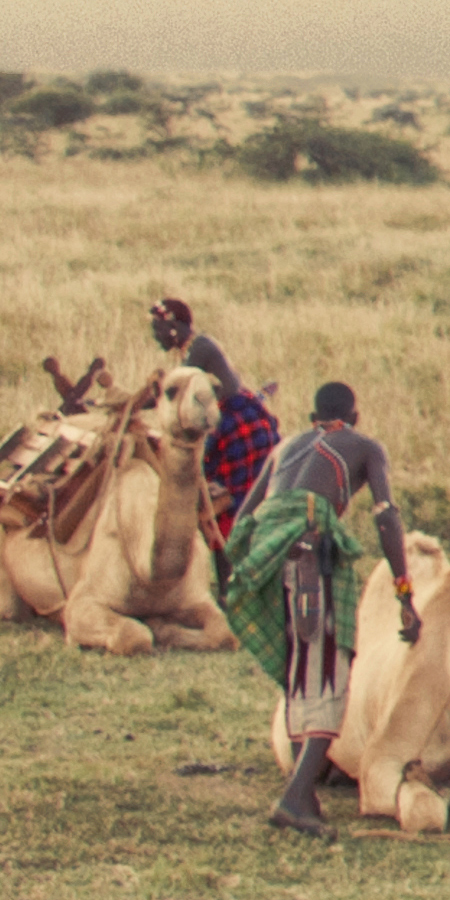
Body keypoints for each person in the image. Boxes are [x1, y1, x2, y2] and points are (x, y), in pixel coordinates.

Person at [225, 382, 416, 838]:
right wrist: (404, 593)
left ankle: (305, 789)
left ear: (313, 416)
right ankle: (294, 799)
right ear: (356, 415)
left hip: (272, 564)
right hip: (314, 566)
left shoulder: (284, 448)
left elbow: (244, 518)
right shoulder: (364, 447)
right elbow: (386, 516)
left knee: (300, 674)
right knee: (329, 673)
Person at [149, 294, 275, 545]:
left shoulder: (200, 348)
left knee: (203, 477)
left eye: (158, 329)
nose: (156, 336)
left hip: (234, 424)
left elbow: (178, 395)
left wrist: (142, 400)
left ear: (173, 328)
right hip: (222, 419)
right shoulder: (191, 349)